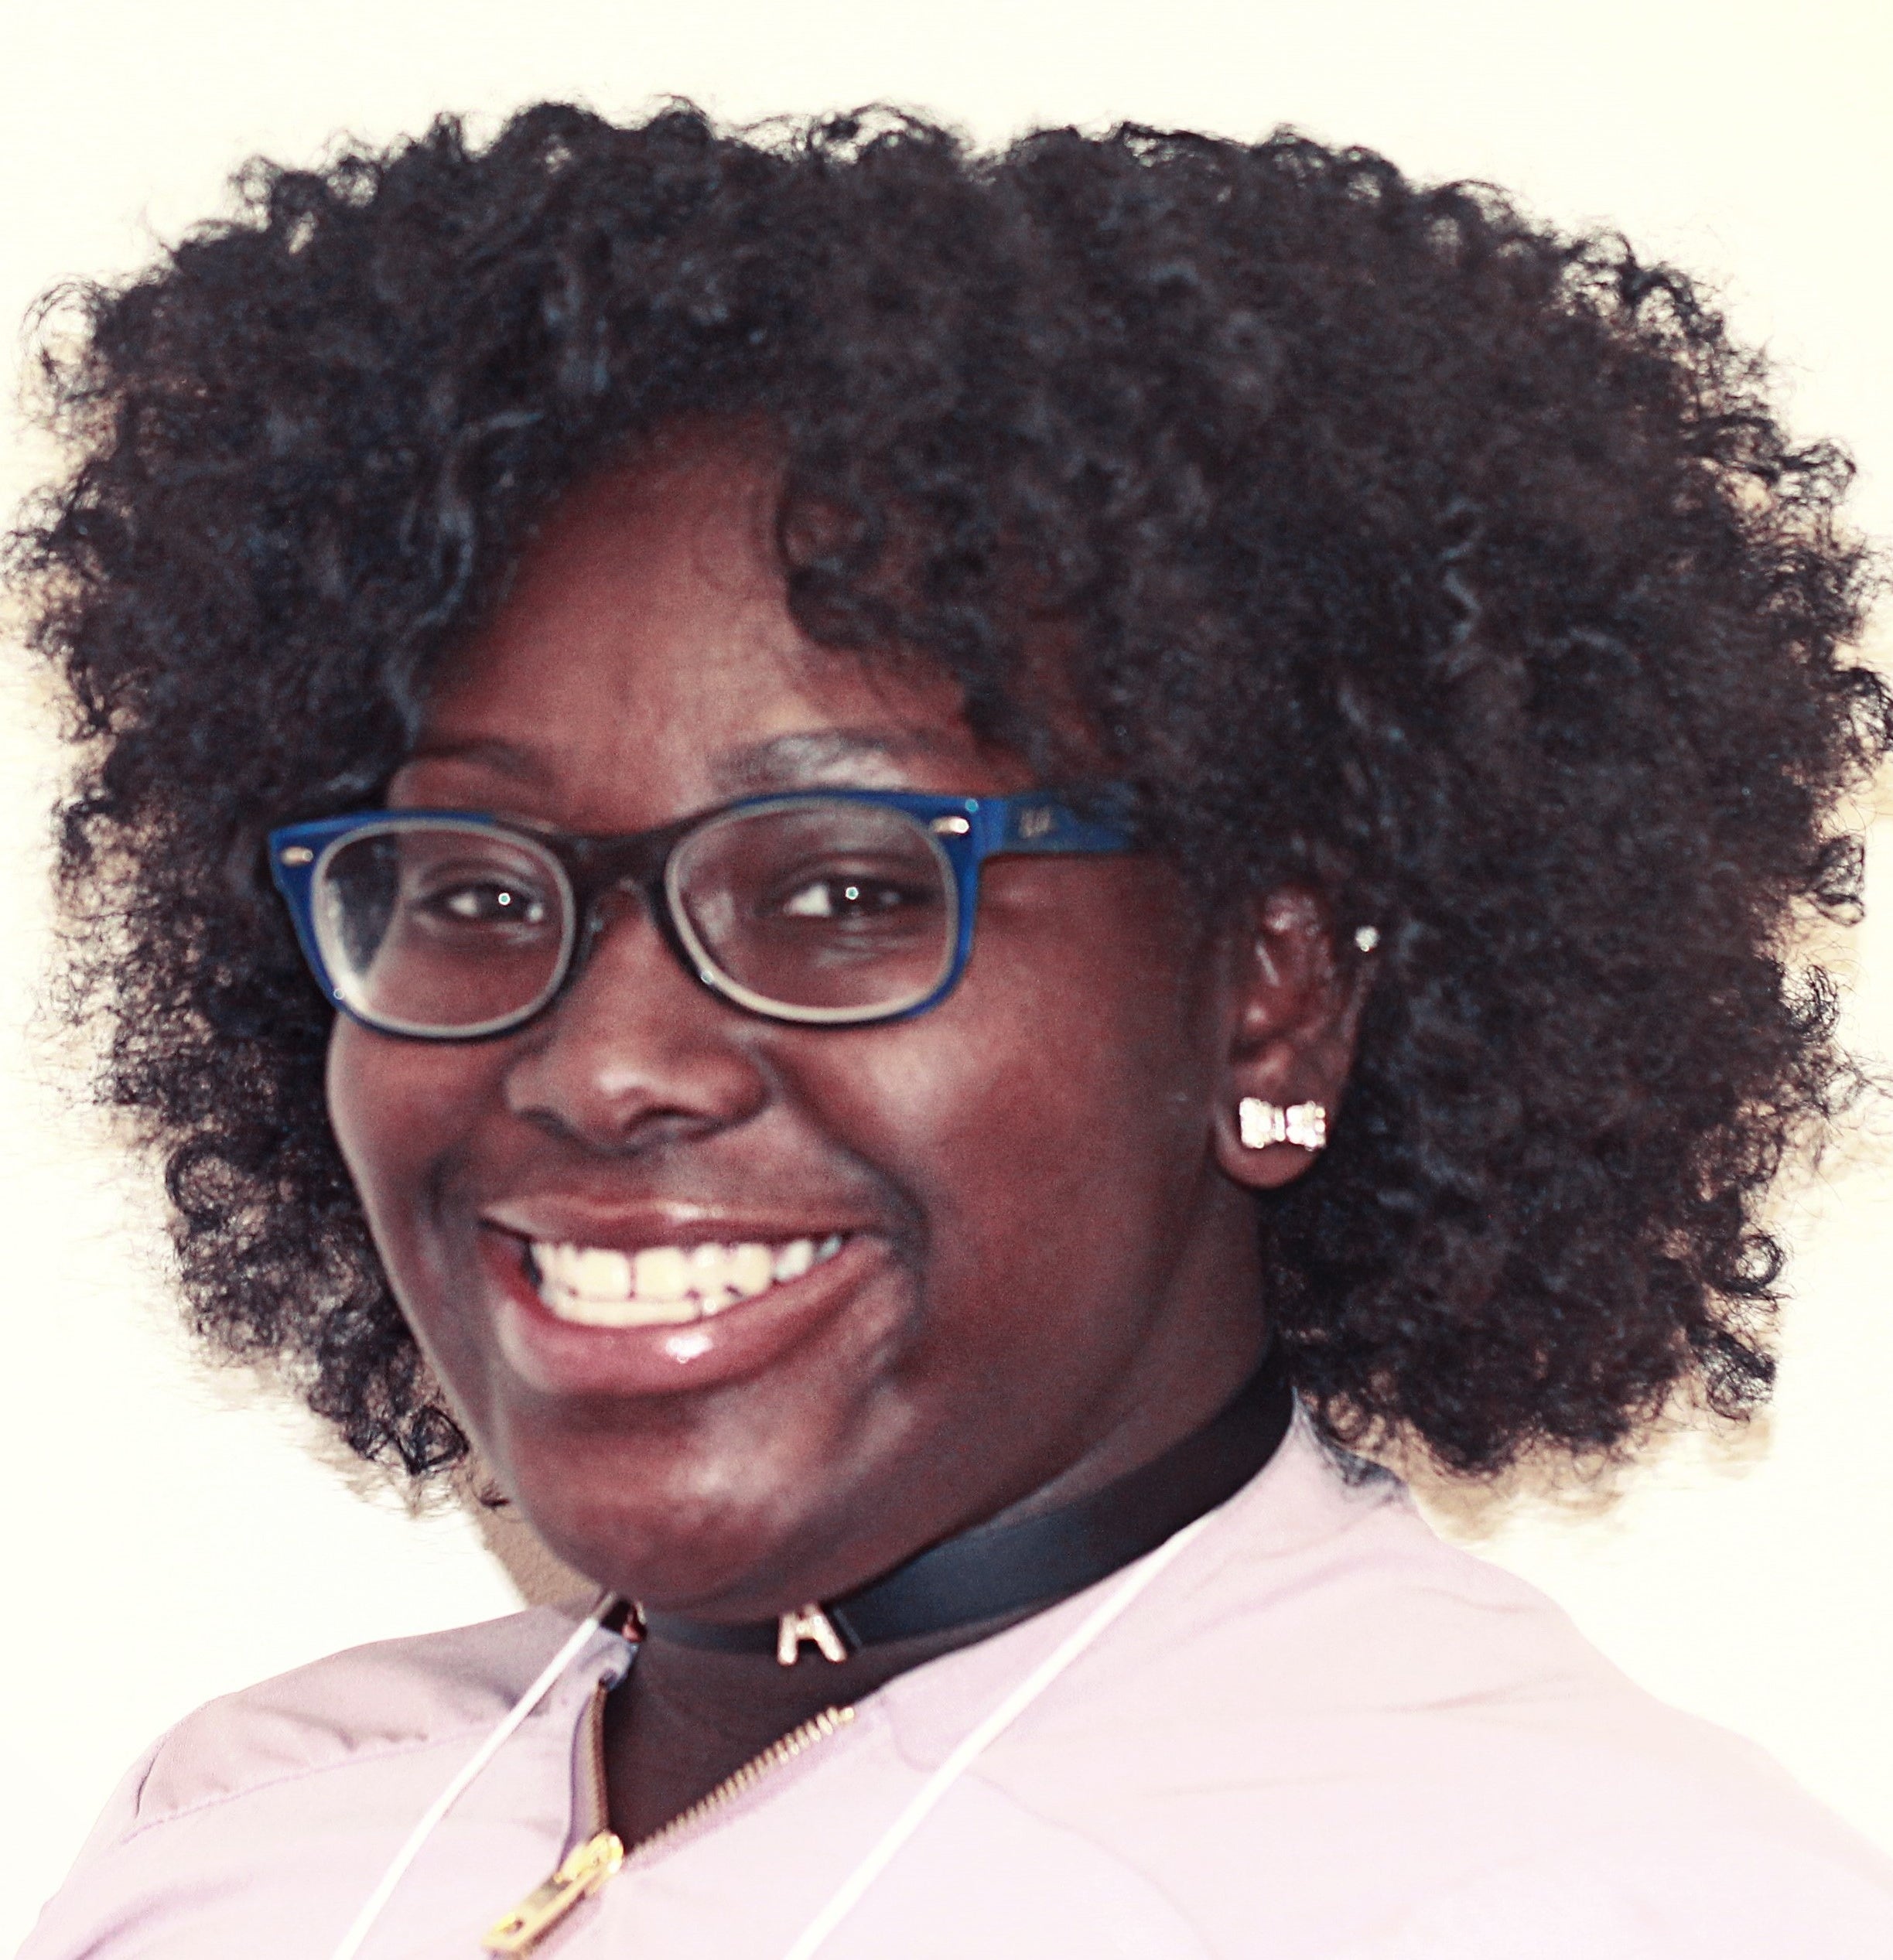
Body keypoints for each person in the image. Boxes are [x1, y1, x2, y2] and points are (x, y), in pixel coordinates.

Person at [12, 101, 1893, 1958]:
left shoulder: (1573, 1903)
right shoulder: (249, 1827)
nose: (603, 1063)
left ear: (1271, 996)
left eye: (847, 892)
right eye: (479, 893)